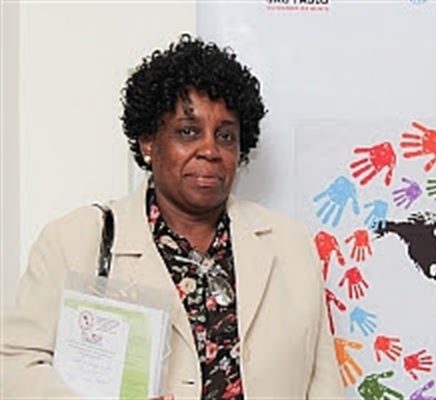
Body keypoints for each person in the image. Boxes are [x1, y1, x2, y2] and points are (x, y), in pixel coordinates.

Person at [0, 33, 343, 399]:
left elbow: (322, 383)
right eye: (188, 132)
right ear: (148, 141)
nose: (210, 150)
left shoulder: (289, 244)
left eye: (226, 136)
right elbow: (14, 367)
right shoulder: (75, 241)